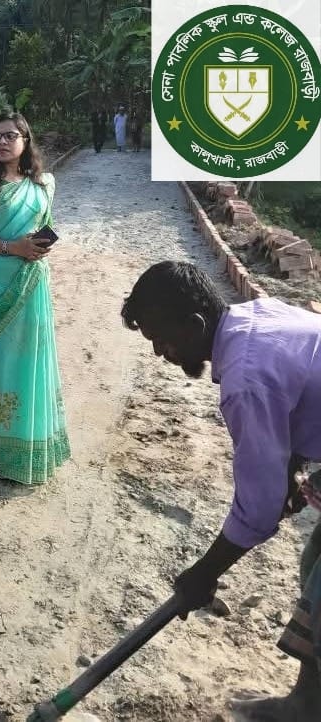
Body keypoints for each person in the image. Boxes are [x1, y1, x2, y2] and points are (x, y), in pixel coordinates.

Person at [121, 261, 321, 721]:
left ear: (195, 325)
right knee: (314, 561)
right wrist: (290, 469)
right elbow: (298, 397)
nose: (159, 352)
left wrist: (203, 574)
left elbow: (258, 510)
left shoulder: (245, 382)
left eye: (161, 339)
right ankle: (308, 702)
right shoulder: (255, 315)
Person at [0, 112, 71, 484]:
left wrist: (37, 245)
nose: (2, 142)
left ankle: (28, 445)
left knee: (28, 359)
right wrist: (13, 247)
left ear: (25, 141)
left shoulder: (41, 184)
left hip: (31, 282)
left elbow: (44, 224)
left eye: (10, 136)